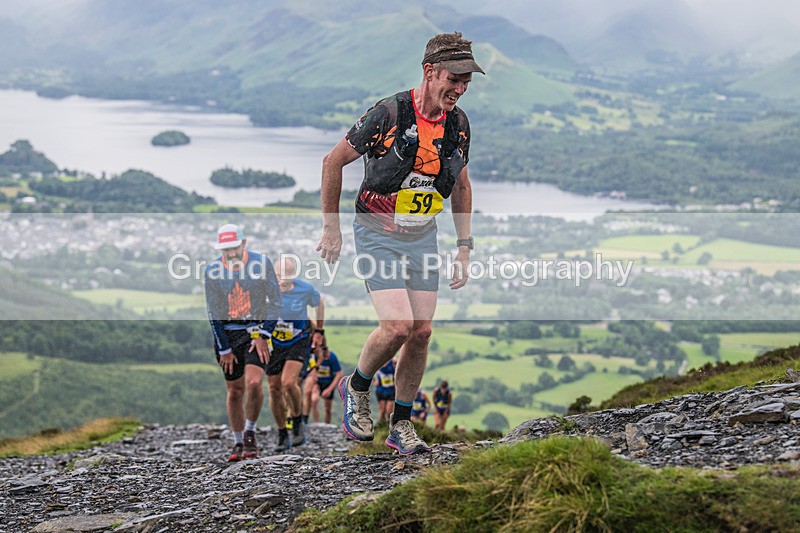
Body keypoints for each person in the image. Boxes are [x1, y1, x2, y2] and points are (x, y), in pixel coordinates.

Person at [317, 32, 482, 455]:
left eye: (467, 81)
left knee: (422, 332)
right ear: (429, 72)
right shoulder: (388, 113)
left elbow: (461, 185)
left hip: (422, 234)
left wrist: (464, 247)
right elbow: (333, 161)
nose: (461, 88)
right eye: (455, 78)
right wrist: (331, 228)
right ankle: (354, 387)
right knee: (397, 327)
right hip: (377, 232)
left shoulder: (459, 125)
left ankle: (401, 424)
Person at [204, 224, 282, 462]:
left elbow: (276, 302)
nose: (231, 254)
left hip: (256, 332)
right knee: (235, 390)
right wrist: (224, 348)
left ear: (244, 244)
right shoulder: (212, 270)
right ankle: (238, 442)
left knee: (255, 382)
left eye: (234, 248)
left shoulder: (261, 263)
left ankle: (250, 432)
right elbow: (213, 312)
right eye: (226, 250)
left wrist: (264, 335)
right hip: (228, 334)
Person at [267, 255, 325, 452]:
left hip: (298, 340)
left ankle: (298, 420)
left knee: (288, 382)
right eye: (278, 275)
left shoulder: (304, 289)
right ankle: (283, 432)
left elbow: (319, 303)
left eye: (286, 275)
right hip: (273, 343)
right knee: (274, 388)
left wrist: (319, 331)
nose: (281, 280)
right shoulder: (266, 290)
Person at [311, 343, 343, 424]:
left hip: (328, 383)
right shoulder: (313, 356)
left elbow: (339, 374)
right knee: (314, 401)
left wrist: (329, 389)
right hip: (317, 382)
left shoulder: (331, 357)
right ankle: (316, 424)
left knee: (327, 408)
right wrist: (314, 383)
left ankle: (327, 425)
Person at [374, 357, 397, 423]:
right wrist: (374, 381)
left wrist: (396, 382)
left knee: (389, 411)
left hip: (391, 390)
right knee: (382, 411)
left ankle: (391, 427)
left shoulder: (393, 361)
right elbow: (368, 369)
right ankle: (381, 428)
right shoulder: (377, 361)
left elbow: (400, 369)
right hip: (381, 390)